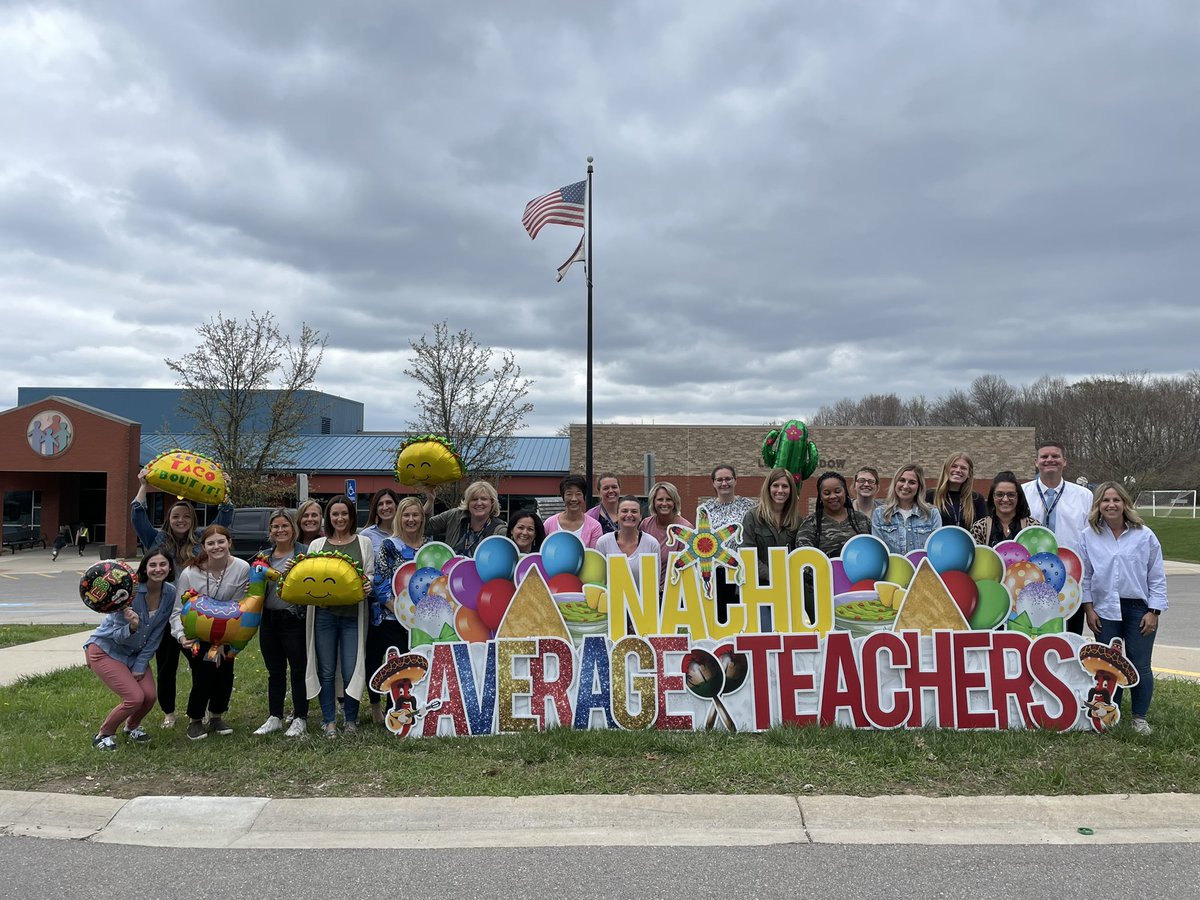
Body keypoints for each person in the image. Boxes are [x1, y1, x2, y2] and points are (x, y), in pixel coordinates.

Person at [131, 466, 234, 728]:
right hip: (164, 615)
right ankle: (169, 712)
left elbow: (224, 521)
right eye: (176, 516)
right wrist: (143, 486)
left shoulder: (201, 542)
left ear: (193, 520)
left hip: (196, 615)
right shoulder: (155, 540)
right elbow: (138, 517)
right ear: (169, 519)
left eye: (186, 516)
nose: (181, 520)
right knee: (167, 667)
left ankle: (206, 712)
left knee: (205, 665)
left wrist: (225, 492)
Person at [1079, 482, 1167, 735]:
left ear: (1125, 504)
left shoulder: (1144, 535)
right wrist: (1089, 609)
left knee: (1140, 665)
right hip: (1104, 608)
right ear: (1098, 506)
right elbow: (1086, 576)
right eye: (1105, 500)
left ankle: (1139, 717)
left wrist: (1154, 611)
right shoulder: (1088, 536)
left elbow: (1157, 576)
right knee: (1108, 666)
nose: (1111, 505)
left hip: (1139, 608)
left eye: (1116, 500)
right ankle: (1109, 714)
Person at [83, 550, 176, 750]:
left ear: (170, 568)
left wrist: (141, 665)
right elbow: (115, 634)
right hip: (106, 650)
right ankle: (103, 735)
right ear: (144, 568)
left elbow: (156, 635)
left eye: (163, 565)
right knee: (134, 698)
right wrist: (132, 627)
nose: (158, 569)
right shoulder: (127, 591)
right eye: (152, 565)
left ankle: (131, 728)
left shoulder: (170, 593)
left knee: (150, 696)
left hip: (133, 654)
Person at [171, 525, 251, 741]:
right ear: (204, 547)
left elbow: (239, 606)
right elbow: (178, 610)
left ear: (229, 542)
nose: (217, 547)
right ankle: (195, 720)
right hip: (194, 634)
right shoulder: (190, 573)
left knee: (225, 671)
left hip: (226, 632)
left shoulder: (242, 568)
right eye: (211, 543)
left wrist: (226, 640)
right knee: (204, 671)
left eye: (221, 541)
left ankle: (216, 715)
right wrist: (181, 636)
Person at [305, 495, 374, 738]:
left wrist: (369, 584)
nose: (340, 518)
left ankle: (351, 720)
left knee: (351, 668)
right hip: (324, 616)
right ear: (329, 517)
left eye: (344, 513)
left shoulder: (364, 543)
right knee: (325, 670)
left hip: (352, 617)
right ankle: (329, 722)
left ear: (351, 516)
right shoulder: (317, 545)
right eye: (335, 514)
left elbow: (369, 575)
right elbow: (309, 576)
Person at [1022, 440, 1093, 633]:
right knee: (1032, 636)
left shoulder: (1084, 496)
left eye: (1055, 456)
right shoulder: (1022, 493)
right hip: (1030, 579)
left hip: (1071, 578)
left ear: (1064, 461)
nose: (1050, 460)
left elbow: (1091, 540)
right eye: (1044, 457)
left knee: (1069, 638)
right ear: (1036, 462)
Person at [369, 496, 425, 723]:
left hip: (420, 621)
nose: (411, 520)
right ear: (399, 518)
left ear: (422, 518)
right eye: (406, 515)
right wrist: (400, 613)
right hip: (390, 618)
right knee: (392, 666)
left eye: (415, 515)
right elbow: (380, 584)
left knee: (413, 666)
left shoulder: (429, 546)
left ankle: (408, 710)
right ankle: (387, 711)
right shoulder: (389, 545)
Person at [253, 509, 309, 738]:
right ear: (270, 532)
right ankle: (274, 716)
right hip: (269, 620)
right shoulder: (263, 557)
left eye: (284, 526)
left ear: (293, 528)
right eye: (275, 527)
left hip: (294, 619)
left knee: (298, 670)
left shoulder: (304, 554)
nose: (280, 530)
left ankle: (300, 718)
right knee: (274, 670)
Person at [698, 465, 757, 618]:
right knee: (720, 616)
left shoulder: (749, 506)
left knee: (743, 615)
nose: (724, 483)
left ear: (735, 481)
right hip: (715, 572)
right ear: (713, 483)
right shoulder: (705, 509)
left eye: (728, 479)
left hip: (742, 569)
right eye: (719, 480)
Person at [741, 468, 804, 585]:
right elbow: (746, 554)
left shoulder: (797, 520)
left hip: (788, 586)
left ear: (791, 490)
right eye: (775, 485)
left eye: (785, 486)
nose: (780, 490)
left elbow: (800, 554)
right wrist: (773, 576)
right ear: (768, 488)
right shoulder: (753, 517)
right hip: (756, 587)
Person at [796, 471, 872, 558]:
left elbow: (873, 552)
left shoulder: (862, 520)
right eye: (827, 493)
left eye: (837, 491)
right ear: (820, 497)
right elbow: (803, 557)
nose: (833, 496)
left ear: (845, 492)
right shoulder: (810, 524)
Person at [871, 464, 942, 555]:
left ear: (919, 487)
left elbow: (935, 550)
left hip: (922, 568)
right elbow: (878, 552)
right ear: (895, 483)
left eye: (912, 482)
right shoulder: (880, 513)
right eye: (902, 480)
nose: (905, 486)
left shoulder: (932, 513)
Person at [595, 496, 661, 592]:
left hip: (643, 605)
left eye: (634, 511)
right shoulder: (603, 542)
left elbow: (655, 583)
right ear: (617, 515)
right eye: (624, 511)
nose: (629, 515)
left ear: (640, 516)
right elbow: (599, 581)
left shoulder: (652, 544)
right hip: (611, 605)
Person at [426, 481, 508, 557]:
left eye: (484, 499)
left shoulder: (500, 531)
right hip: (451, 572)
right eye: (474, 499)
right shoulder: (454, 516)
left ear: (492, 502)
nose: (479, 503)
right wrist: (429, 501)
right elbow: (423, 527)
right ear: (468, 502)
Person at [640, 481, 691, 588]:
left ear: (675, 502)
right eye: (660, 499)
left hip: (674, 590)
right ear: (653, 502)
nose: (664, 503)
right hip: (647, 588)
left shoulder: (686, 529)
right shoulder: (645, 524)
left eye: (668, 499)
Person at [971, 472, 1038, 547]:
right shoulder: (980, 528)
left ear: (1018, 497)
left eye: (1011, 495)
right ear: (992, 497)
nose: (1005, 499)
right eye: (999, 494)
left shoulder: (1033, 527)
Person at [927, 452, 987, 530]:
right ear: (946, 470)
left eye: (963, 468)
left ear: (969, 474)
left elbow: (983, 531)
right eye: (954, 466)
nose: (958, 470)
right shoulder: (930, 496)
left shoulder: (976, 499)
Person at [545, 475, 603, 548]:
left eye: (578, 494)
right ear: (563, 496)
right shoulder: (549, 524)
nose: (574, 499)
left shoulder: (594, 526)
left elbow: (594, 555)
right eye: (569, 494)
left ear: (583, 497)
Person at [360, 489, 400, 554]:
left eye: (389, 502)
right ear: (376, 510)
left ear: (397, 506)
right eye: (380, 504)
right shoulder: (366, 535)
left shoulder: (406, 532)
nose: (385, 507)